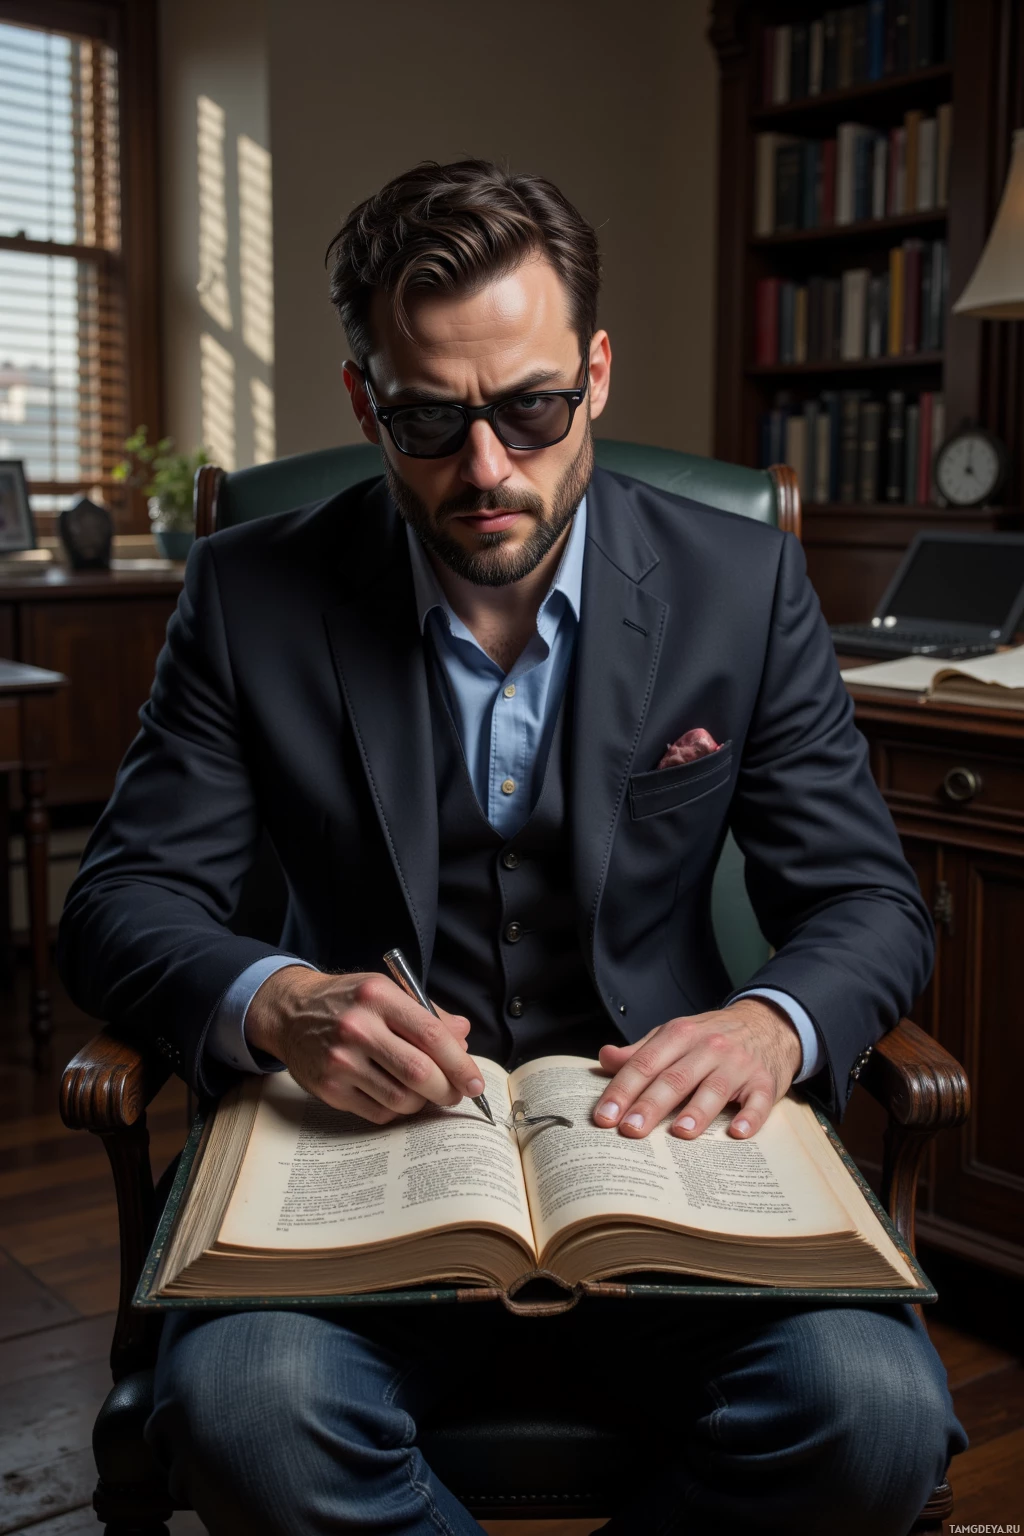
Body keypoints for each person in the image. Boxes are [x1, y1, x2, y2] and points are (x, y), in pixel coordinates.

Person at [59, 158, 966, 1535]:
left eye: (532, 408)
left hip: (670, 1162)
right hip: (351, 1170)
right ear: (365, 400)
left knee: (876, 1416)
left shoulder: (744, 584)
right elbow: (121, 898)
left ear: (594, 373)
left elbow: (867, 900)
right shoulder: (248, 595)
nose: (486, 470)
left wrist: (771, 1025)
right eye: (430, 419)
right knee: (251, 1413)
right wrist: (280, 1003)